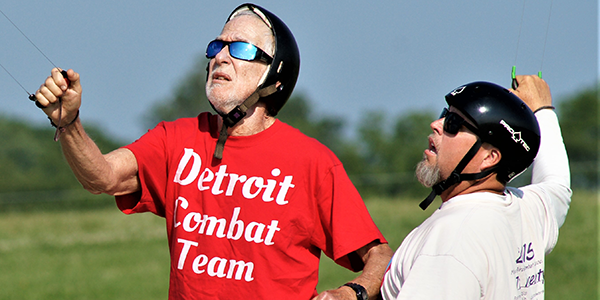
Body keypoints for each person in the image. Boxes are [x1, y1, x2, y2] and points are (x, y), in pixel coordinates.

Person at [32, 3, 392, 300]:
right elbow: (102, 177)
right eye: (216, 46)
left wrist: (350, 294)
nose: (220, 56)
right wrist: (69, 122)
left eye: (240, 48)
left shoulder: (311, 162)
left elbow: (379, 255)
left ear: (275, 78)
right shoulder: (176, 138)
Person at [380, 75, 571, 299]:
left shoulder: (450, 243)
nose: (436, 125)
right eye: (445, 114)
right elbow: (558, 186)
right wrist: (543, 109)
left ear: (489, 158)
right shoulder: (526, 210)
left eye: (452, 122)